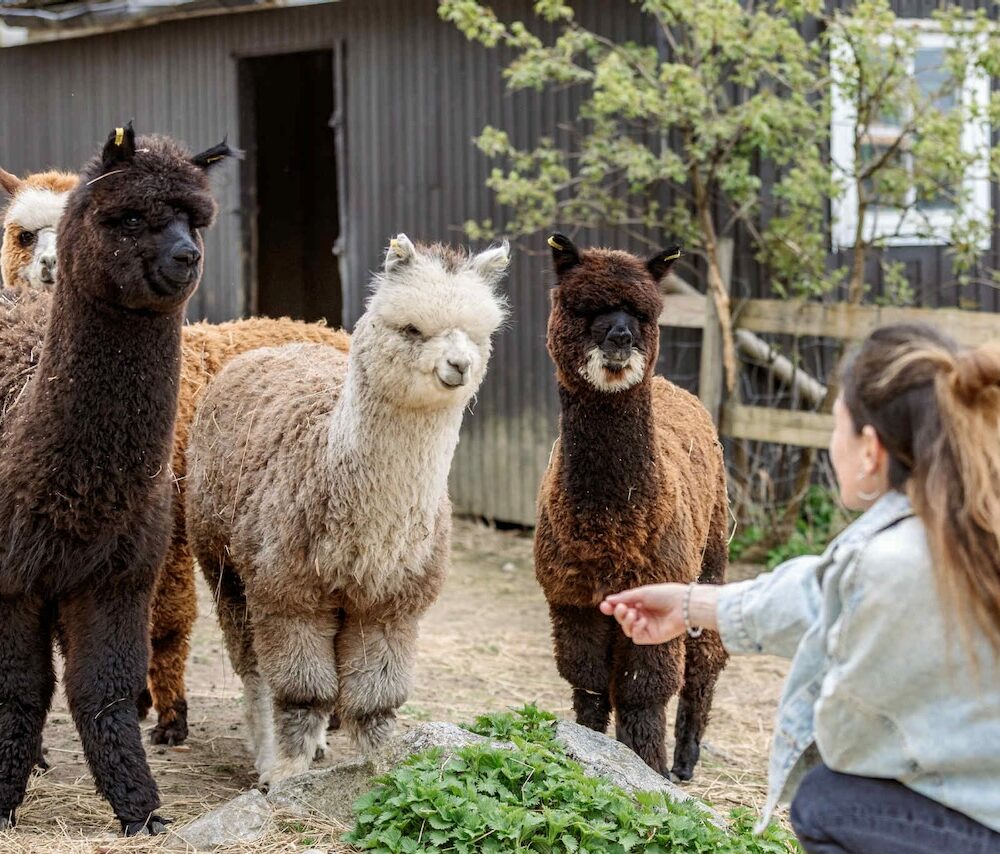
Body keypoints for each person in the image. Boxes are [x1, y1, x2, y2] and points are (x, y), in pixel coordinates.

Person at [600, 323, 1000, 854]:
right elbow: (817, 593)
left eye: (836, 425)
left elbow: (848, 722)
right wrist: (691, 603)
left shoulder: (888, 560)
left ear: (870, 450)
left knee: (827, 799)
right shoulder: (960, 523)